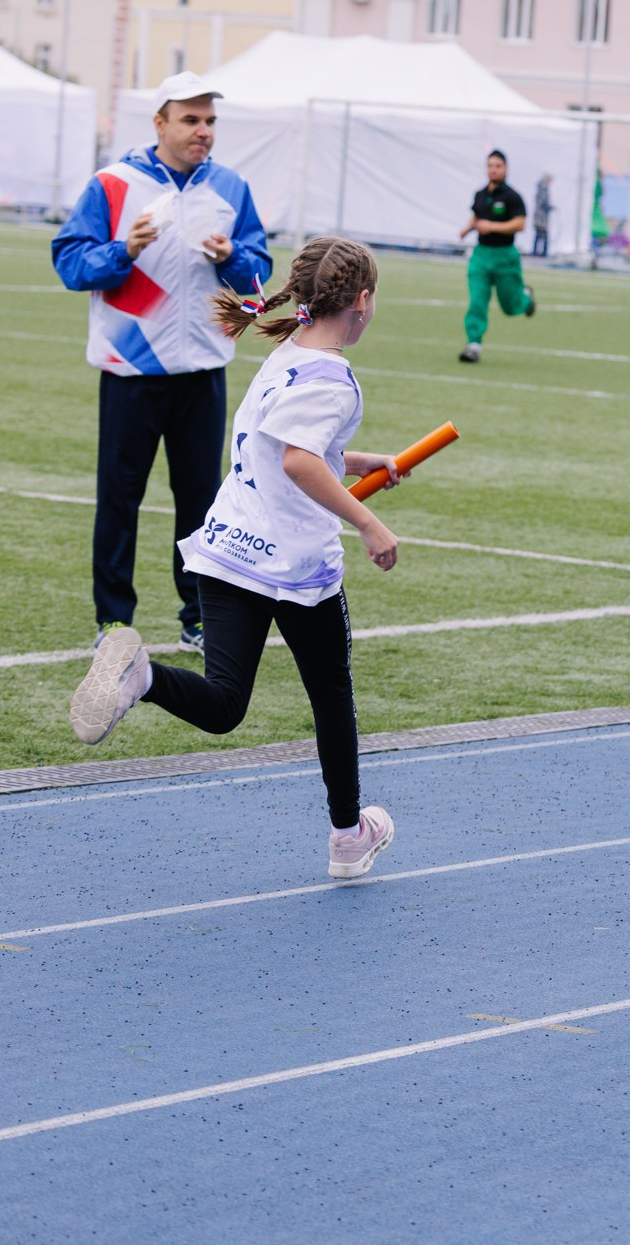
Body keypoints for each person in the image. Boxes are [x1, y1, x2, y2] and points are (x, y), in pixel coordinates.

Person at [69, 236, 403, 881]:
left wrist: (361, 463)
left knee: (224, 705)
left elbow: (292, 446)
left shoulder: (285, 355)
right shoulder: (333, 378)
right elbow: (299, 459)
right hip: (295, 564)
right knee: (332, 696)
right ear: (361, 302)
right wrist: (367, 521)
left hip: (228, 547)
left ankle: (141, 678)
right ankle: (347, 836)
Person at [51, 72, 271, 651]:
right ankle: (113, 620)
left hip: (202, 370)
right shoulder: (112, 185)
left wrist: (233, 257)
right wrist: (124, 250)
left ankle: (198, 614)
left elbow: (257, 280)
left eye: (210, 121)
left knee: (202, 501)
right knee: (119, 498)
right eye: (191, 120)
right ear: (160, 123)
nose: (203, 132)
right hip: (129, 370)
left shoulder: (229, 188)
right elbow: (70, 263)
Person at [458, 149, 535, 362]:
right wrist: (467, 229)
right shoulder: (480, 194)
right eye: (490, 165)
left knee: (510, 307)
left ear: (506, 168)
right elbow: (477, 215)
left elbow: (520, 223)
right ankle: (473, 344)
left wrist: (492, 226)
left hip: (505, 256)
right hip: (481, 255)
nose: (493, 169)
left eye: (498, 166)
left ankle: (526, 300)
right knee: (477, 301)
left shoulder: (512, 196)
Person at [531, 173, 554, 259]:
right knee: (543, 236)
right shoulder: (543, 189)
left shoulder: (540, 188)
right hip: (541, 218)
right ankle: (543, 254)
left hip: (538, 217)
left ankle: (536, 252)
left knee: (538, 236)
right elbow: (543, 203)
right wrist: (550, 207)